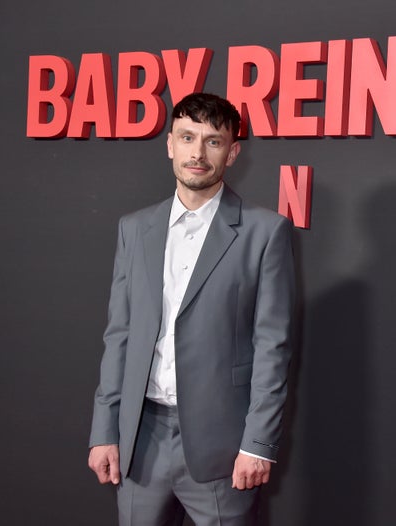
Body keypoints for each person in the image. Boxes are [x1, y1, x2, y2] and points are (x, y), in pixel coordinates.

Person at [87, 92, 296, 525]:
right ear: (170, 145)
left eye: (213, 141)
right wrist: (105, 430)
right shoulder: (135, 228)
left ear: (233, 152)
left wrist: (257, 443)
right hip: (140, 439)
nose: (197, 153)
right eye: (187, 137)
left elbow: (272, 347)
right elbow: (119, 335)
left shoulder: (265, 232)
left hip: (222, 446)